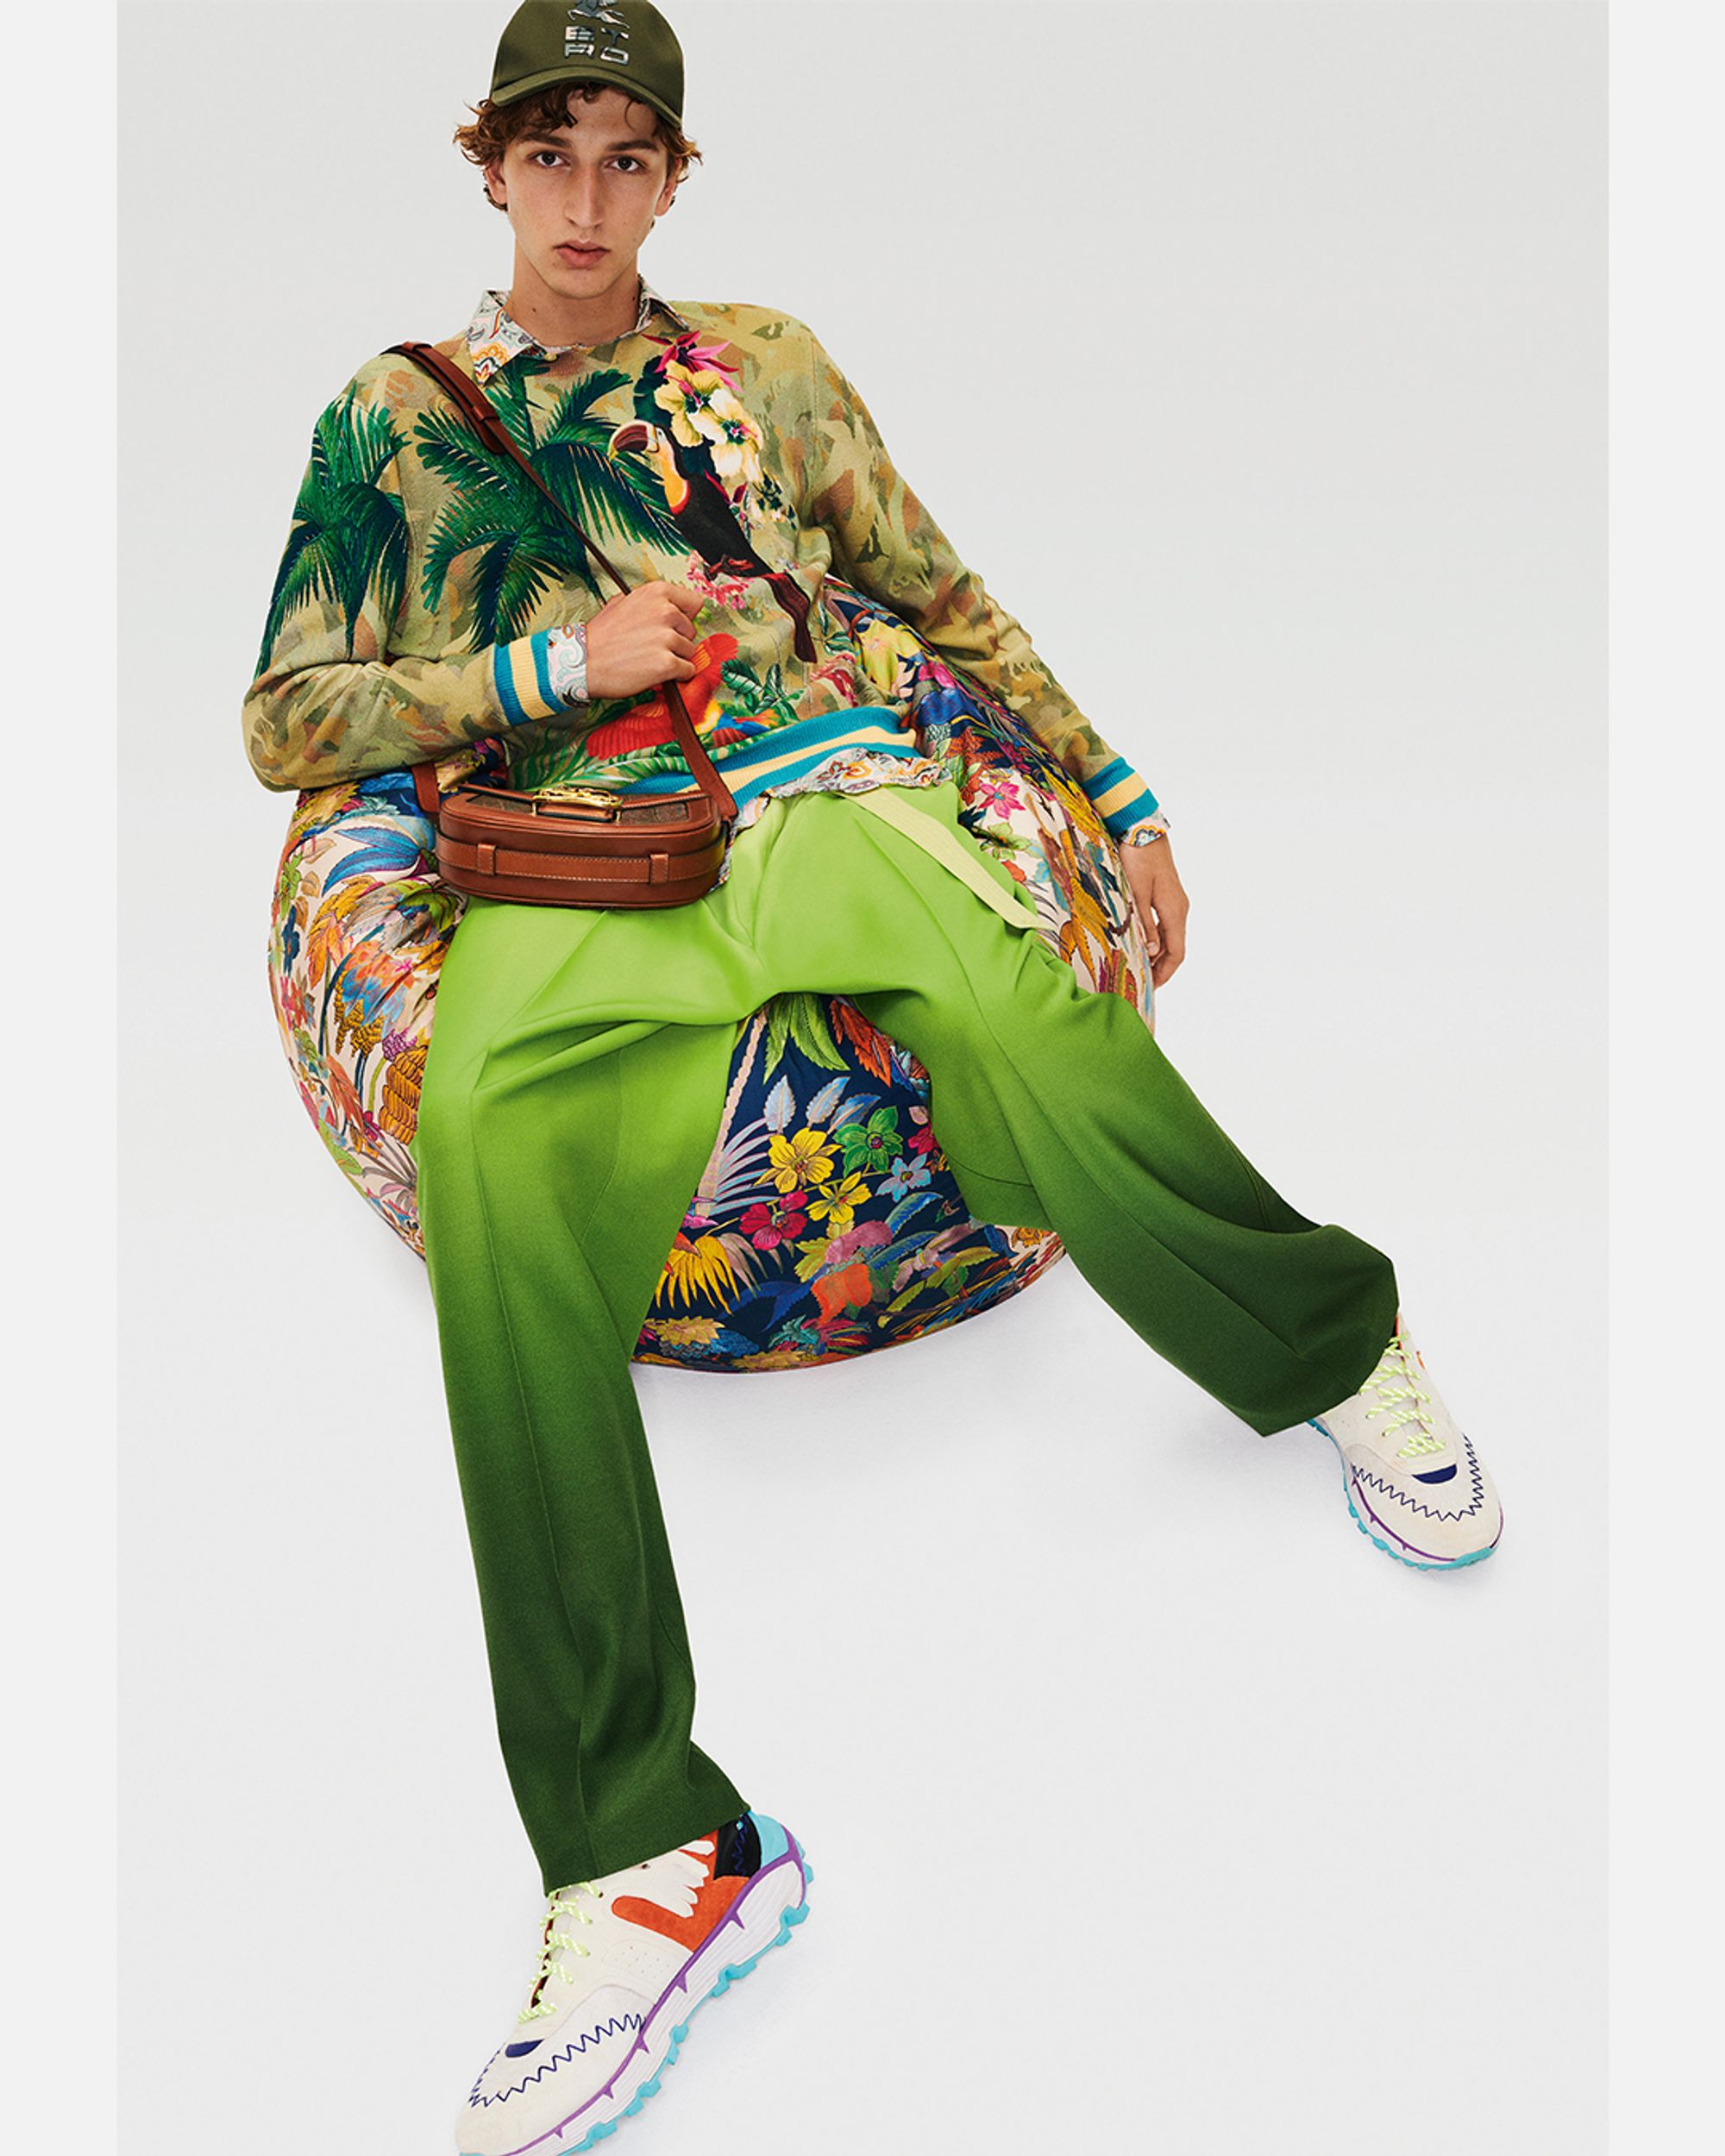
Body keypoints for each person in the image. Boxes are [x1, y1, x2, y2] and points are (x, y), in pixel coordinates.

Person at [241, 4, 1504, 2149]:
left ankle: (1327, 1333)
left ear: (673, 177)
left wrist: (1115, 785)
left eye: (626, 155)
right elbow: (286, 716)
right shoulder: (395, 417)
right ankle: (650, 1849)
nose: (584, 198)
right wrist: (555, 662)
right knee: (488, 1153)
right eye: (546, 153)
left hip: (828, 787)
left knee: (1021, 1016)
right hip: (582, 847)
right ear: (488, 167)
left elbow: (935, 586)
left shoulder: (771, 364)